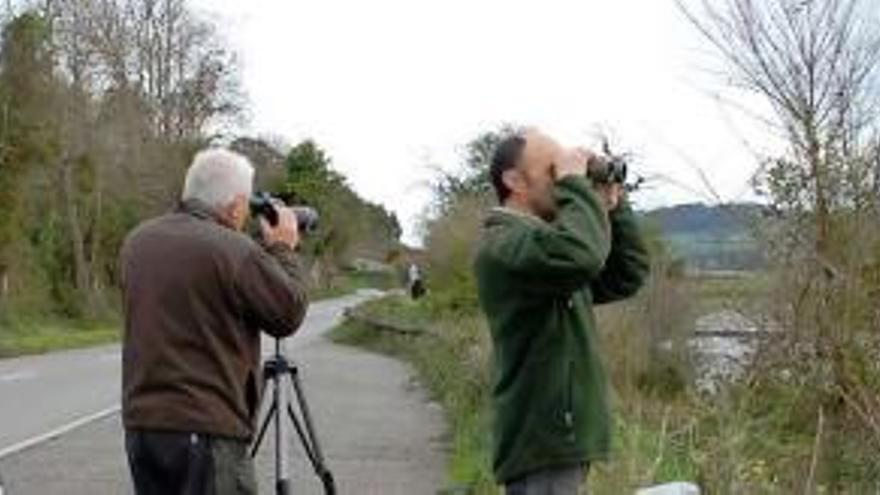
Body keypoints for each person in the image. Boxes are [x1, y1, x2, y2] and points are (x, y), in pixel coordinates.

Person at [119, 148, 310, 495]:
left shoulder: (137, 243)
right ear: (238, 205)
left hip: (143, 428)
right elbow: (287, 313)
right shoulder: (233, 251)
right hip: (207, 429)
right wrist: (283, 249)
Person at [473, 129, 650, 494]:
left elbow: (625, 276)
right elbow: (580, 257)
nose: (564, 181)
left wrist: (612, 209)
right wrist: (576, 187)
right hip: (543, 438)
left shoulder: (545, 250)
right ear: (514, 181)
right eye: (552, 172)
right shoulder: (503, 243)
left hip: (558, 439)